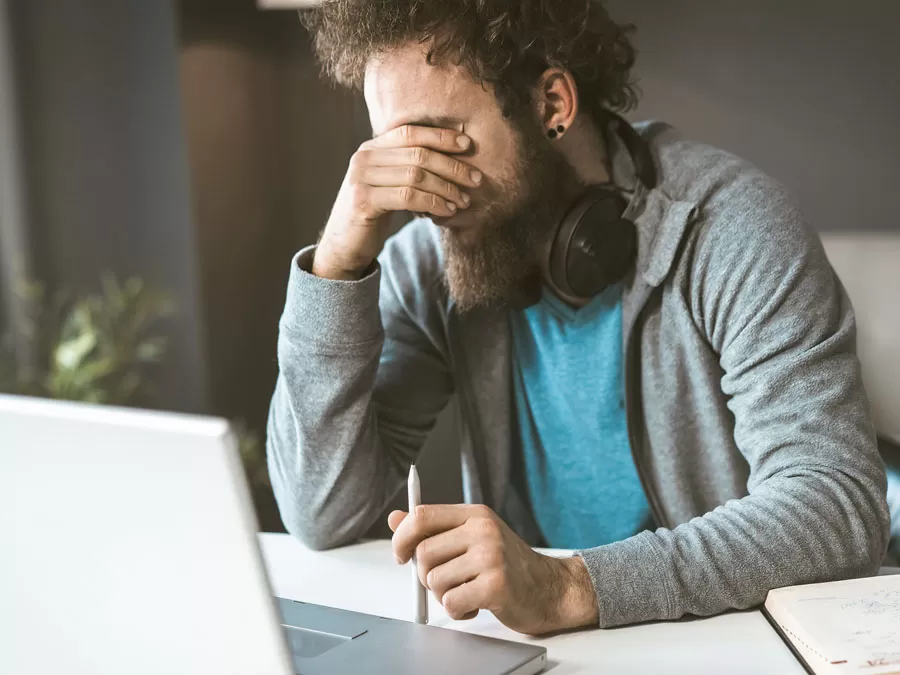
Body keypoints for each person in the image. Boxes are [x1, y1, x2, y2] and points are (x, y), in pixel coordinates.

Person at [266, 0, 890, 635]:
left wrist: (569, 587)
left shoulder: (732, 227)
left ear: (552, 105)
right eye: (396, 149)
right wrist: (337, 266)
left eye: (439, 139)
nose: (419, 188)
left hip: (719, 641)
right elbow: (322, 513)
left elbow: (836, 506)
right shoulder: (428, 266)